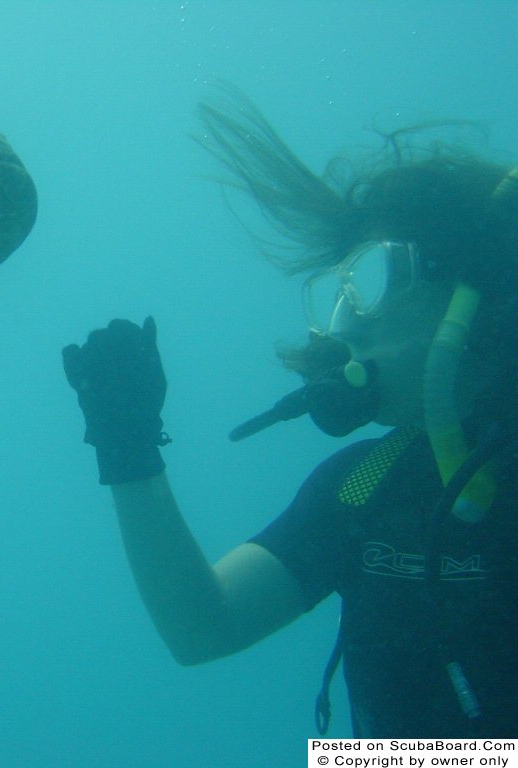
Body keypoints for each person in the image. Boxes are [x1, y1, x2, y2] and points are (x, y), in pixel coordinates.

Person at [62, 90, 518, 738]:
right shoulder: (363, 487)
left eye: (370, 278)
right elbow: (203, 627)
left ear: (466, 287)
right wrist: (127, 449)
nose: (342, 320)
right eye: (334, 291)